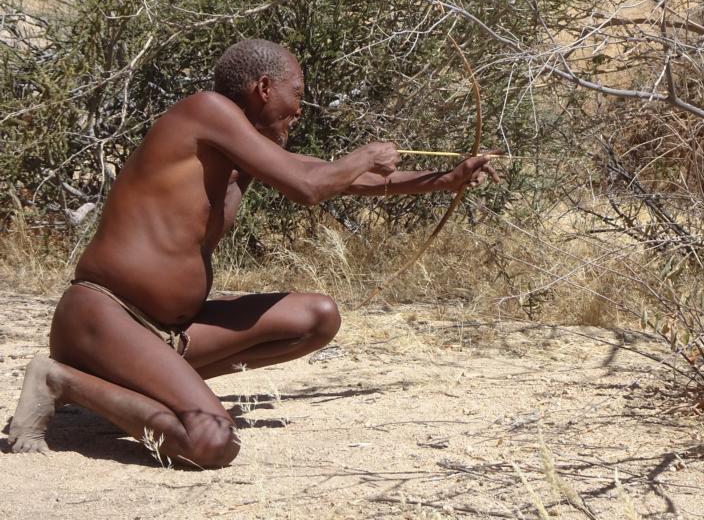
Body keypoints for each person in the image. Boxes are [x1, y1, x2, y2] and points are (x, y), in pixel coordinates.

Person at [6, 38, 498, 466]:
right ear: (264, 88)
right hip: (104, 316)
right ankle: (60, 381)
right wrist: (365, 153)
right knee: (211, 442)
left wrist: (446, 180)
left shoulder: (237, 147)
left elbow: (340, 180)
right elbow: (311, 185)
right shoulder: (207, 111)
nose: (300, 109)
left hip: (167, 335)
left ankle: (153, 382)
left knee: (317, 316)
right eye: (297, 94)